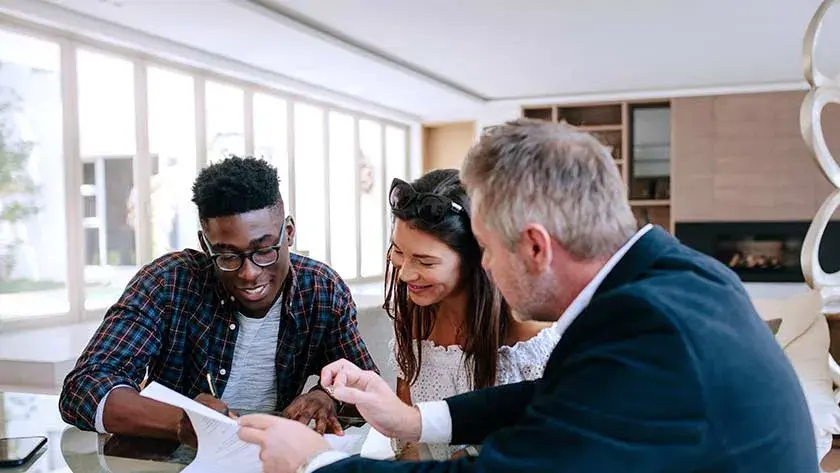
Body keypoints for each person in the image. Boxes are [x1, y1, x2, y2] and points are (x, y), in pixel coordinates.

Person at [236, 119, 818, 473]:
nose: (486, 267)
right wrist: (414, 421)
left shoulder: (648, 329)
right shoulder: (674, 275)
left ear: (535, 247)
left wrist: (312, 462)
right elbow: (558, 395)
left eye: (486, 249)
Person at [59, 156, 378, 448]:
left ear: (289, 233)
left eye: (265, 250)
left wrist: (326, 396)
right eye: (227, 256)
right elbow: (84, 388)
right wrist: (181, 421)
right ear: (205, 244)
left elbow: (367, 387)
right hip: (176, 459)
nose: (250, 273)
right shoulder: (168, 282)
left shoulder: (321, 290)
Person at [384, 169, 559, 459]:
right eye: (398, 251)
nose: (405, 273)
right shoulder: (416, 320)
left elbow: (548, 451)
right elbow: (409, 443)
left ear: (477, 259)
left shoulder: (528, 337)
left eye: (425, 261)